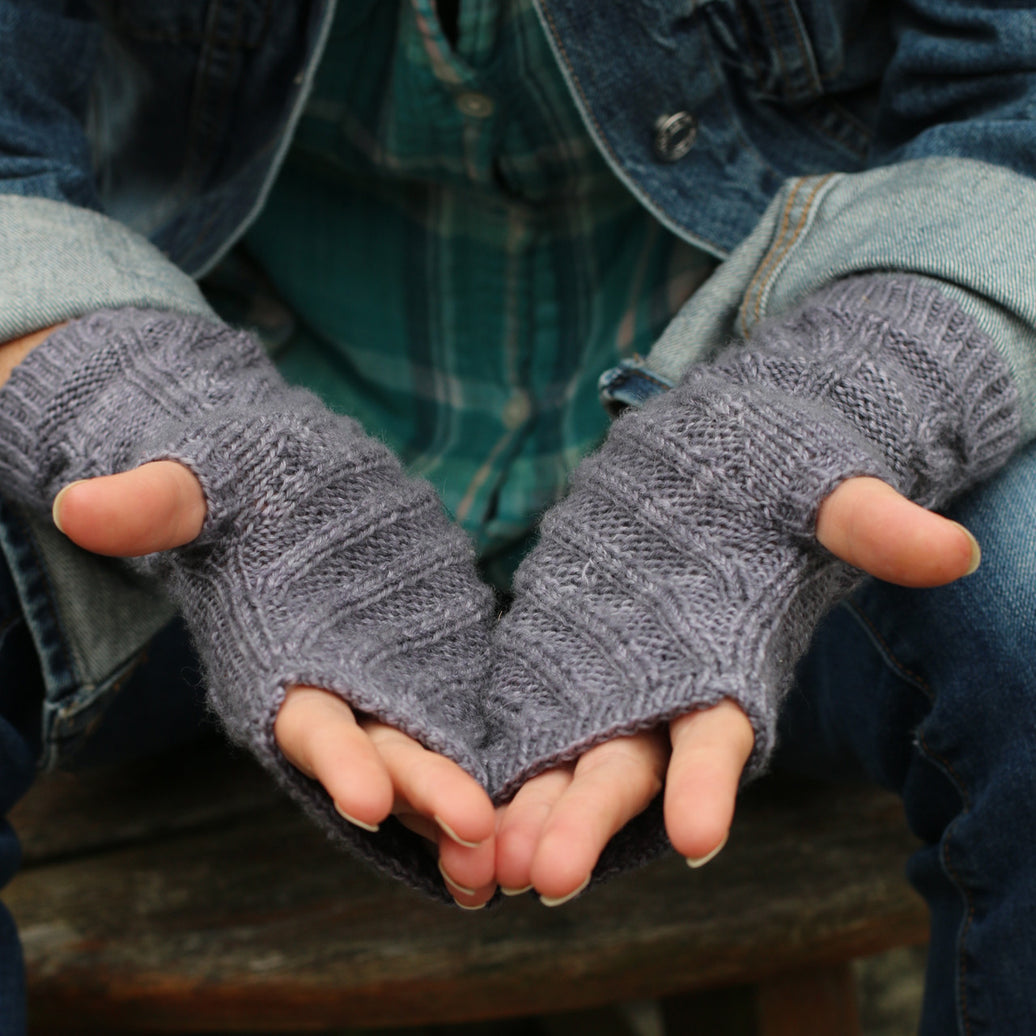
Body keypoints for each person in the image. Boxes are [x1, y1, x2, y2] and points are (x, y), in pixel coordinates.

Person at [0, 2, 1034, 1033]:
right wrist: (154, 411)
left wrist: (836, 398)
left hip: (783, 452)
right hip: (209, 479)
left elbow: (1012, 111)